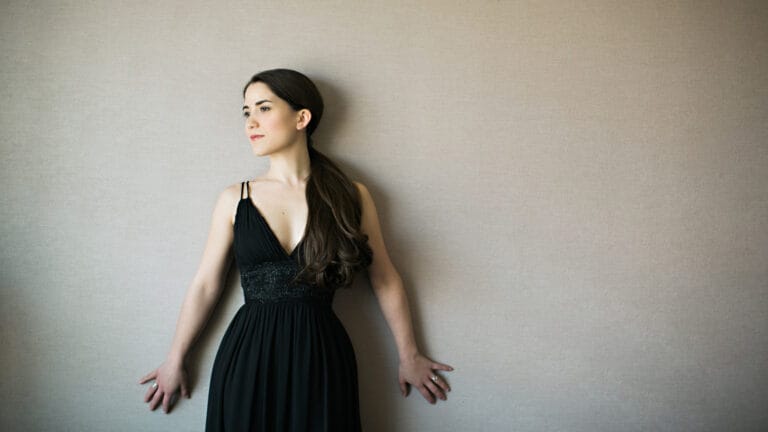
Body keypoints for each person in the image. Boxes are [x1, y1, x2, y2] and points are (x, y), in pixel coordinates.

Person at [138, 68, 453, 430]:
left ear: (302, 118)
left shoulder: (351, 195)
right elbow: (206, 285)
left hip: (320, 356)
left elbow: (383, 277)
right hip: (248, 355)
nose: (250, 123)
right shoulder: (234, 199)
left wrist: (409, 354)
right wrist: (175, 359)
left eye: (263, 108)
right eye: (246, 112)